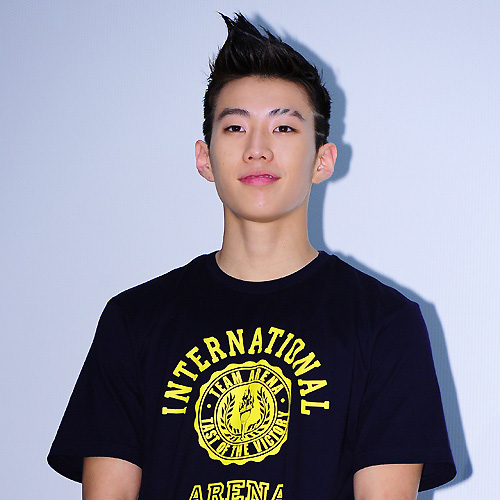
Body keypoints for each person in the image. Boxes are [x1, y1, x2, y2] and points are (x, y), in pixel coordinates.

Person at [48, 13, 456, 500]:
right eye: (236, 127)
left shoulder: (385, 323)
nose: (257, 149)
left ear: (322, 160)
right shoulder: (133, 320)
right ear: (205, 157)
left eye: (283, 128)